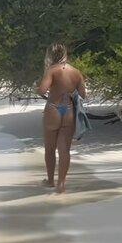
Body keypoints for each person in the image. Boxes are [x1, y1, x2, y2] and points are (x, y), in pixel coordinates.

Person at [37, 42, 86, 193]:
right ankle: (61, 184)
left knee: (50, 148)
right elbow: (83, 95)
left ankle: (50, 181)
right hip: (69, 110)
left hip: (53, 109)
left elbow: (42, 90)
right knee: (64, 150)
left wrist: (38, 88)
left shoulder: (52, 70)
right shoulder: (76, 72)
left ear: (50, 55)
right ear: (65, 54)